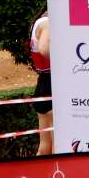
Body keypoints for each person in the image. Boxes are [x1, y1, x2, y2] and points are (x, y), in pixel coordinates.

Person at [29, 12, 53, 156]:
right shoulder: (48, 23)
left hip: (43, 82)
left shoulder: (38, 22)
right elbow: (44, 49)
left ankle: (37, 176)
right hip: (51, 82)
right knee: (57, 145)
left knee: (45, 147)